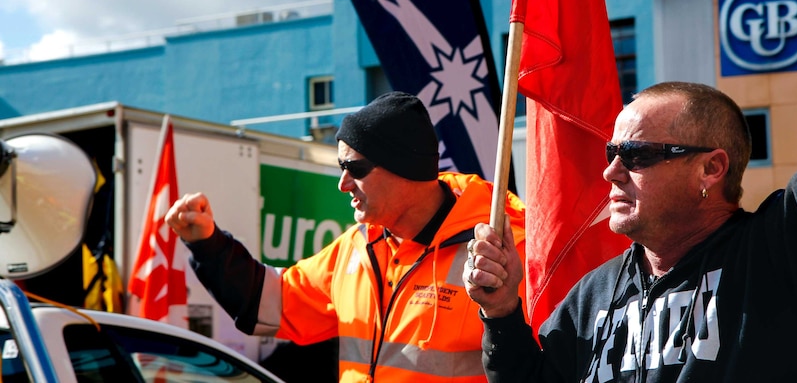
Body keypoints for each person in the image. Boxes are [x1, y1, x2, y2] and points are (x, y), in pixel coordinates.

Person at [463, 0, 797, 382]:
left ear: (711, 168)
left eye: (636, 155)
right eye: (612, 151)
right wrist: (500, 316)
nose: (611, 171)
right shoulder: (591, 298)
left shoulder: (783, 252)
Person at [165, 91, 527, 382]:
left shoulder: (503, 251)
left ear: (405, 169)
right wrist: (208, 243)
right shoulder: (357, 248)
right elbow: (272, 302)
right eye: (341, 167)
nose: (343, 183)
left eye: (355, 168)